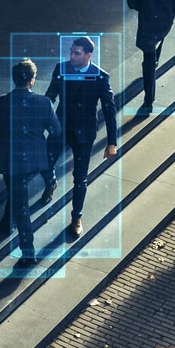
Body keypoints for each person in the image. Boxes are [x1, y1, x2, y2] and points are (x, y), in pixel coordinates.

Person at [0, 59, 61, 269]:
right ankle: (50, 180)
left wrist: (1, 131)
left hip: (12, 161)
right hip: (36, 158)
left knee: (20, 205)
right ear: (32, 80)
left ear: (14, 79)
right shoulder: (44, 103)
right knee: (21, 189)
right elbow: (56, 131)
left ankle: (29, 252)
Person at [41, 37, 119, 239]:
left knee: (80, 179)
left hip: (84, 133)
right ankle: (51, 181)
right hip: (60, 128)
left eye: (76, 53)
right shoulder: (61, 69)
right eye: (71, 52)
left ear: (88, 55)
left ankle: (76, 217)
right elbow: (50, 96)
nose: (72, 56)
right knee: (45, 164)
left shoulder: (101, 77)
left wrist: (112, 142)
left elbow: (110, 110)